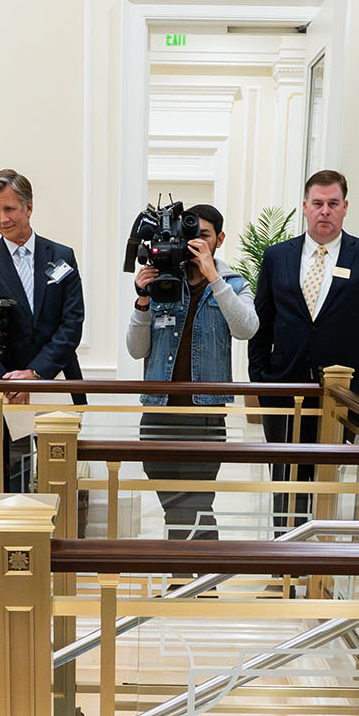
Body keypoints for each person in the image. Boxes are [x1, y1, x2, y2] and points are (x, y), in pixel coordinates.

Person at [249, 169, 359, 529]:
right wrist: (261, 382)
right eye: (318, 204)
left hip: (340, 396)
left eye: (333, 204)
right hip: (282, 390)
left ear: (345, 207)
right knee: (284, 479)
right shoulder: (277, 256)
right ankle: (284, 568)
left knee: (322, 480)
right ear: (305, 207)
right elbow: (260, 325)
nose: (324, 211)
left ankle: (317, 564)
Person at [0, 169, 84, 491]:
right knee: (13, 484)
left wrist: (34, 373)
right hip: (7, 392)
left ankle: (58, 542)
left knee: (58, 481)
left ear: (28, 207)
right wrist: (7, 378)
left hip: (55, 382)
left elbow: (72, 324)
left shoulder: (61, 257)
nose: (3, 219)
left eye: (9, 209)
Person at [121, 203, 254, 538]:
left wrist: (213, 276)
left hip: (205, 414)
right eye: (188, 235)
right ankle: (199, 582)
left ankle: (190, 583)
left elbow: (247, 328)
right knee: (180, 502)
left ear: (219, 239)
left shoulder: (234, 284)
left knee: (193, 500)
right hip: (158, 412)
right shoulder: (162, 282)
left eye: (203, 236)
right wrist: (141, 301)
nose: (194, 242)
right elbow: (137, 350)